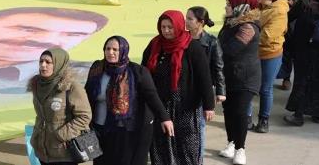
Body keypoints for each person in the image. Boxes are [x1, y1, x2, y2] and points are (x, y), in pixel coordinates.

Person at [85, 36, 174, 165]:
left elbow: (152, 96)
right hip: (99, 129)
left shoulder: (137, 71)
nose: (111, 52)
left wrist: (165, 118)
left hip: (125, 130)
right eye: (108, 49)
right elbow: (86, 95)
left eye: (115, 49)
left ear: (123, 50)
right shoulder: (97, 68)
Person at [142, 10, 215, 165]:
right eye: (163, 27)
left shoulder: (193, 47)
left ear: (179, 26)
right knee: (160, 146)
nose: (166, 31)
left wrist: (209, 105)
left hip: (186, 107)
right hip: (160, 106)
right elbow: (144, 74)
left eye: (170, 27)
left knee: (187, 147)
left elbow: (204, 78)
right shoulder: (155, 45)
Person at [217, 0, 261, 165]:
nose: (226, 7)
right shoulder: (229, 23)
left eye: (229, 4)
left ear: (240, 7)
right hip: (229, 75)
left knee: (241, 113)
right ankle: (231, 142)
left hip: (246, 77)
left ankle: (240, 149)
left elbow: (230, 49)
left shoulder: (248, 27)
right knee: (228, 111)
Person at [28, 47, 91, 165]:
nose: (43, 65)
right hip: (43, 150)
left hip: (64, 152)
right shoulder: (37, 85)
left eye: (48, 62)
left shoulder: (72, 87)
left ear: (59, 64)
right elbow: (41, 115)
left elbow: (84, 117)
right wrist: (36, 137)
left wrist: (61, 135)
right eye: (41, 61)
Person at [185, 6, 226, 157]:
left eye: (190, 19)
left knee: (199, 126)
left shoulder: (211, 42)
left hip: (202, 89)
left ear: (200, 22)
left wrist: (220, 92)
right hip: (183, 87)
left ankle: (198, 157)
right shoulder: (182, 38)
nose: (186, 21)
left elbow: (218, 67)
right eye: (186, 17)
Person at [248, 0, 288, 133]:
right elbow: (248, 18)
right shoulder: (261, 7)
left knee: (265, 88)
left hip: (270, 54)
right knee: (250, 87)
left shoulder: (279, 11)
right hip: (254, 52)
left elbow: (267, 36)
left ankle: (263, 119)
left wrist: (247, 33)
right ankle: (247, 117)